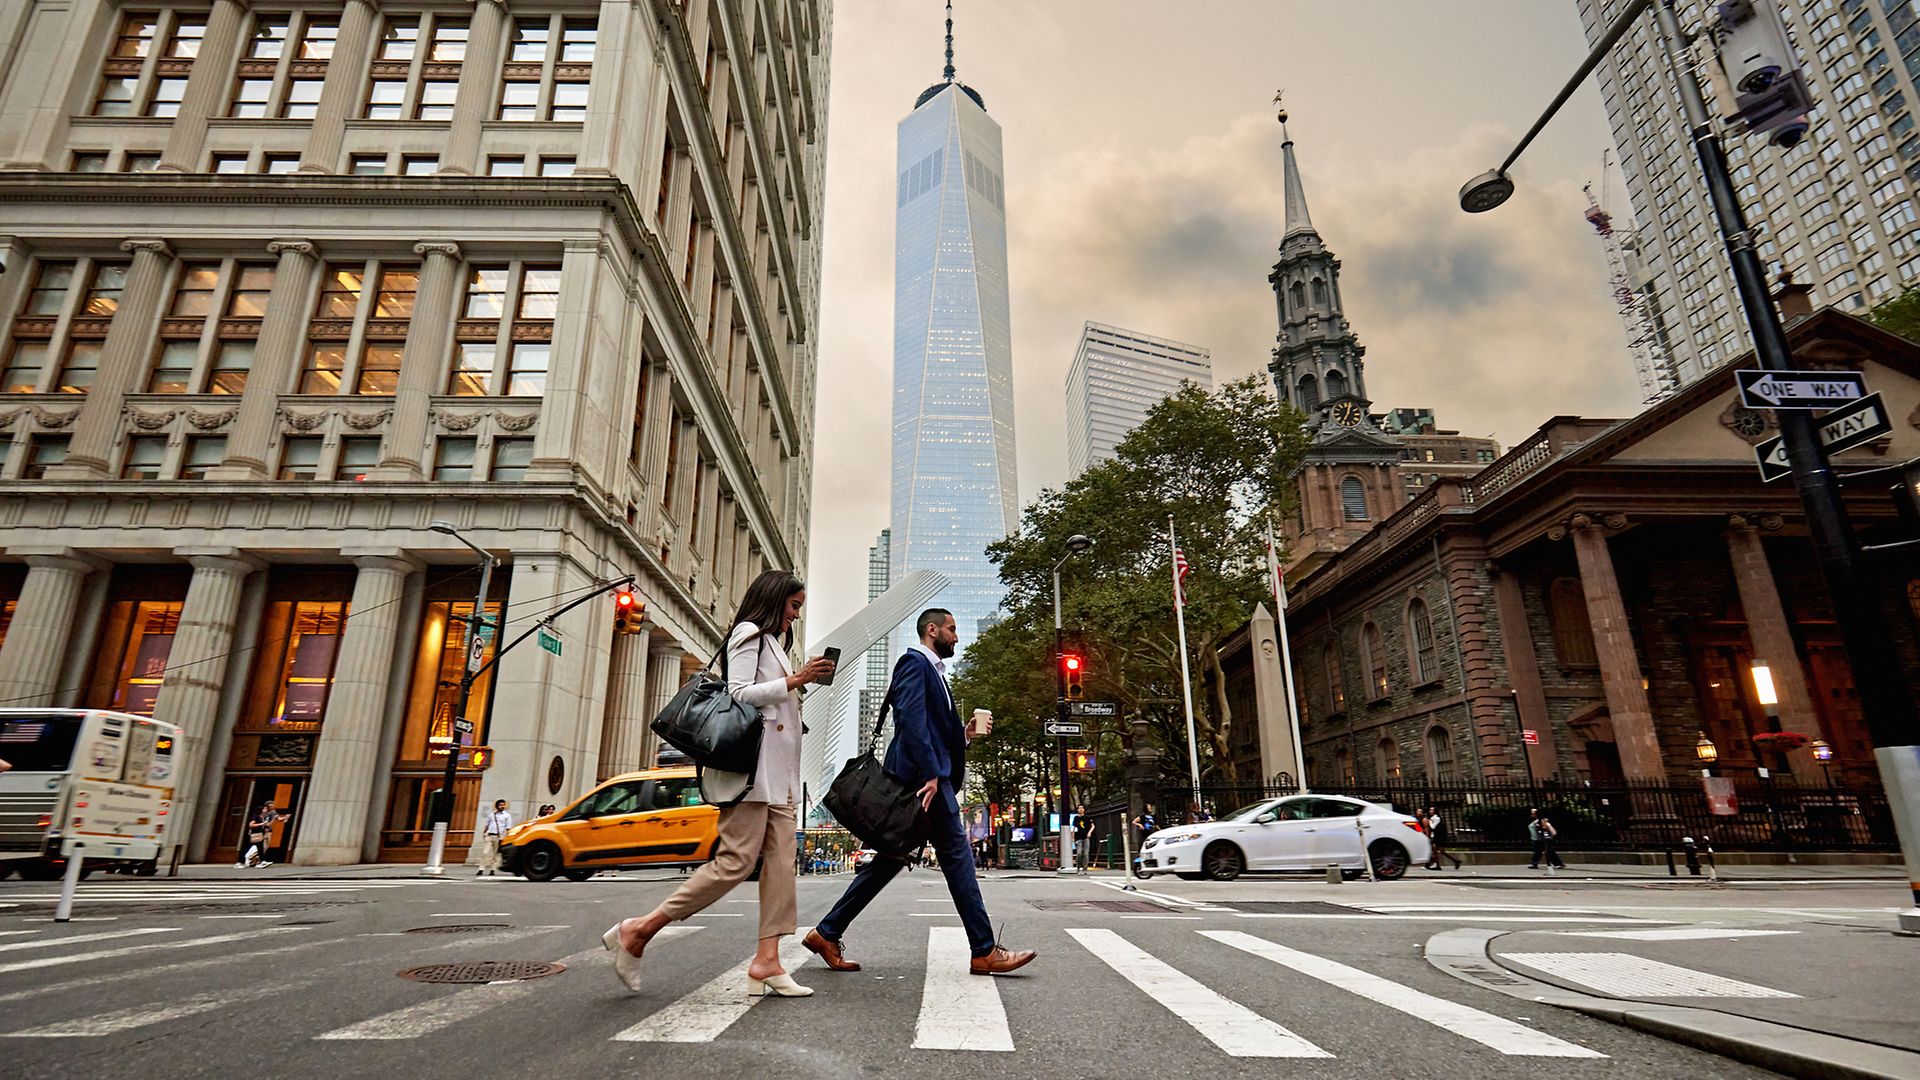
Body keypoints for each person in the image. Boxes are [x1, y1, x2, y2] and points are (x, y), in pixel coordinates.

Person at [602, 570, 834, 997]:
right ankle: (639, 930)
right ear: (774, 600)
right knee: (735, 862)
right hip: (751, 773)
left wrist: (796, 685)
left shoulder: (772, 644)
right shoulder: (747, 633)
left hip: (780, 777)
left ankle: (768, 961)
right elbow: (739, 693)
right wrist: (795, 680)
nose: (795, 616)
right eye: (793, 606)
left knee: (782, 868)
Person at [803, 609, 1037, 978]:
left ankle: (826, 933)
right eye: (952, 629)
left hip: (927, 776)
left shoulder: (937, 674)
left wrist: (965, 736)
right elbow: (909, 720)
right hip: (924, 781)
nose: (956, 637)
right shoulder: (914, 663)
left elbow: (930, 728)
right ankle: (984, 950)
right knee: (958, 856)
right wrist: (931, 773)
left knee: (891, 858)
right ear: (933, 630)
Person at [239, 802, 283, 868]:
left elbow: (267, 825)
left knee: (260, 849)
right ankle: (240, 862)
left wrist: (272, 820)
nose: (266, 810)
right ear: (261, 810)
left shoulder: (263, 817)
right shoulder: (256, 817)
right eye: (264, 809)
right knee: (247, 848)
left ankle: (261, 862)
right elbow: (251, 825)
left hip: (259, 834)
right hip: (253, 834)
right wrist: (261, 824)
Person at [478, 799, 513, 876]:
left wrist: (506, 838)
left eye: (503, 805)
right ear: (497, 806)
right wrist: (484, 833)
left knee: (495, 854)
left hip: (499, 837)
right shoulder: (492, 814)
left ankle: (492, 869)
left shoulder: (507, 816)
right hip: (490, 835)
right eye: (500, 805)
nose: (502, 806)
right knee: (485, 852)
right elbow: (487, 824)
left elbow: (508, 828)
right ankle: (481, 869)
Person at [1075, 805, 1097, 869]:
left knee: (1086, 854)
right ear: (1077, 810)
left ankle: (1085, 867)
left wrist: (1089, 832)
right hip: (1078, 837)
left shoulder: (1087, 817)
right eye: (1079, 808)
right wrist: (1073, 837)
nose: (1081, 809)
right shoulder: (1076, 818)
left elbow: (1093, 826)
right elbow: (1074, 827)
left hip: (1086, 837)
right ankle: (1078, 866)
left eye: (1082, 808)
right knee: (1079, 853)